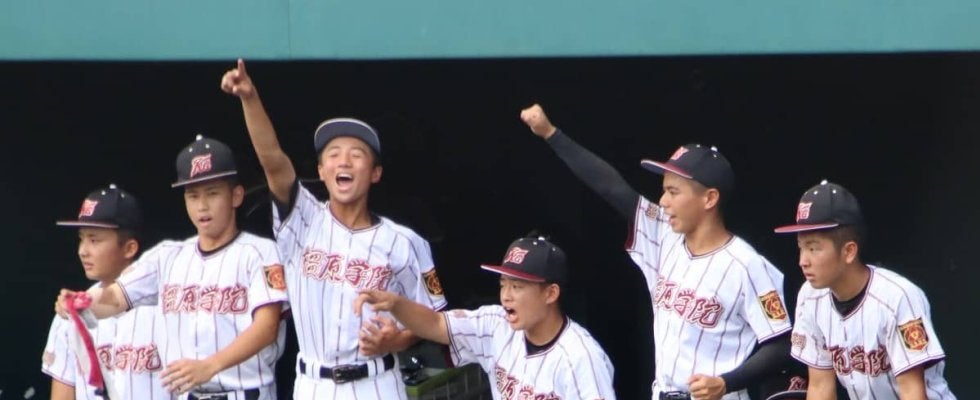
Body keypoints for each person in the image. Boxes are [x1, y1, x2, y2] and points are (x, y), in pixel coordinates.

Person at [520, 104, 793, 400]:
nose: (663, 201)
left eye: (674, 192)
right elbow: (612, 188)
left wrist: (726, 382)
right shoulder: (664, 235)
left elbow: (781, 344)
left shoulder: (746, 264)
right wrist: (551, 134)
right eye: (664, 190)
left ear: (709, 198)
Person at [220, 59, 447, 399]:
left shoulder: (404, 241)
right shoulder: (303, 218)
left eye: (357, 155)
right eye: (333, 154)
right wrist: (249, 99)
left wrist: (396, 340)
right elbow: (273, 160)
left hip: (377, 383)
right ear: (321, 171)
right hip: (314, 383)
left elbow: (433, 317)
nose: (344, 161)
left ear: (375, 173)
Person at [56, 136, 289, 400]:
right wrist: (81, 304)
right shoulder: (167, 256)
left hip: (245, 392)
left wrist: (210, 365)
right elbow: (116, 297)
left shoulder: (260, 252)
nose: (202, 205)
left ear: (236, 195)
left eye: (212, 193)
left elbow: (267, 328)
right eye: (193, 195)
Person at [355, 235, 617, 400]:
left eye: (517, 287)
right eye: (503, 284)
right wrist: (396, 304)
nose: (506, 296)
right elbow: (436, 324)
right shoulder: (495, 325)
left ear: (550, 293)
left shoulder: (580, 357)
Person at [775, 180, 956, 399]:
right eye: (801, 248)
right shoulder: (809, 297)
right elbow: (820, 387)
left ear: (849, 251)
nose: (803, 261)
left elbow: (912, 392)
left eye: (813, 248)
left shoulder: (897, 297)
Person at [42, 184, 170, 400]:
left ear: (129, 248)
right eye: (81, 238)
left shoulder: (168, 307)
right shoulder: (69, 312)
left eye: (94, 240)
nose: (82, 251)